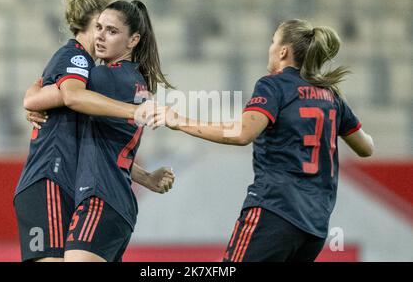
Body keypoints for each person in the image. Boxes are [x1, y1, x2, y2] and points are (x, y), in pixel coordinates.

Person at [150, 19, 374, 262]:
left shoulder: (273, 85)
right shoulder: (331, 96)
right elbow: (366, 147)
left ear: (283, 51)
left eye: (272, 41)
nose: (269, 48)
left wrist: (179, 120)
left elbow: (242, 133)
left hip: (275, 211)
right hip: (315, 227)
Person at [14, 0, 173, 262]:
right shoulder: (81, 62)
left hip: (75, 187)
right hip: (48, 180)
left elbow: (56, 103)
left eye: (111, 30)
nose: (102, 34)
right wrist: (32, 99)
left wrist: (33, 97)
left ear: (131, 39)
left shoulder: (99, 75)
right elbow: (63, 97)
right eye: (101, 26)